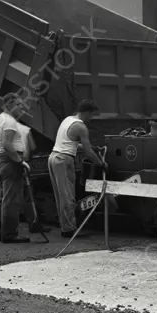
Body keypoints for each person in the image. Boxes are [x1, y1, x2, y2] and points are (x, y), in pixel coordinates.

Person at [49, 100, 105, 238]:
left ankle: (64, 225)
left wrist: (91, 148)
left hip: (53, 157)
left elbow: (70, 142)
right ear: (85, 112)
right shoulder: (81, 127)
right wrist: (101, 163)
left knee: (61, 196)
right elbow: (88, 153)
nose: (91, 118)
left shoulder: (68, 120)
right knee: (68, 196)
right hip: (63, 160)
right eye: (91, 115)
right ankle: (68, 230)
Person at [0, 99, 33, 244]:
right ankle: (10, 234)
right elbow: (7, 143)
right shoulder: (9, 121)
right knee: (11, 199)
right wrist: (20, 161)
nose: (22, 109)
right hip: (9, 163)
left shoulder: (0, 118)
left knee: (1, 199)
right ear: (11, 105)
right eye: (19, 106)